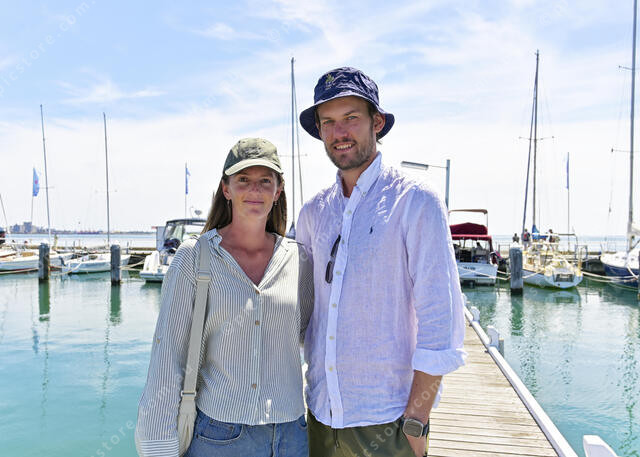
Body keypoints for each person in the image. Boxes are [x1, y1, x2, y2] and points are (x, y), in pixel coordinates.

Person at [296, 67, 466, 457]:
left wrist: (416, 422)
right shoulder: (312, 212)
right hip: (320, 416)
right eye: (328, 122)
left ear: (377, 123)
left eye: (351, 118)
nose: (339, 132)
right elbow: (301, 309)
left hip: (387, 423)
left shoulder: (415, 201)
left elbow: (440, 321)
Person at [136, 138, 314, 457]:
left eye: (265, 181)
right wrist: (158, 446)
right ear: (226, 189)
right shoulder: (194, 257)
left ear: (278, 190)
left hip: (294, 435)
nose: (255, 189)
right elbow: (169, 354)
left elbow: (313, 340)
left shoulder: (300, 260)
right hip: (219, 437)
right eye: (243, 179)